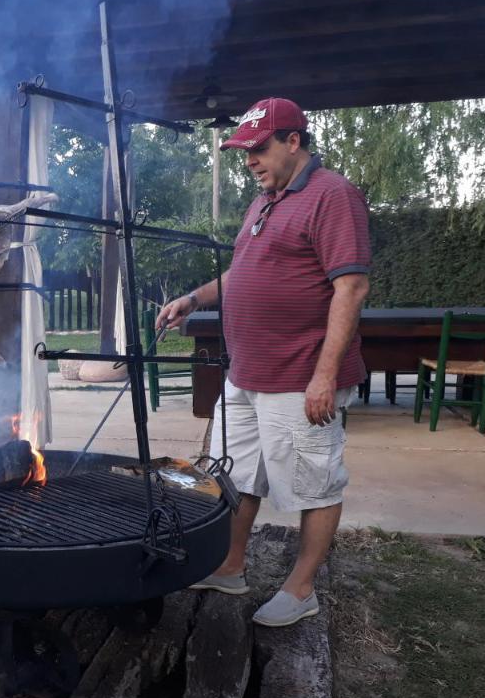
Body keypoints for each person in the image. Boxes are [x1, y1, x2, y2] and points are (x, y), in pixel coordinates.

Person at [155, 97, 370, 627]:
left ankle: (301, 590)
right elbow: (243, 273)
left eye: (258, 148)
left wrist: (323, 375)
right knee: (234, 476)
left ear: (293, 141)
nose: (249, 160)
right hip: (246, 373)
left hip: (299, 377)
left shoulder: (333, 195)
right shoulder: (265, 201)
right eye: (243, 151)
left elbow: (352, 286)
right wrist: (195, 298)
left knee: (313, 482)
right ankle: (229, 565)